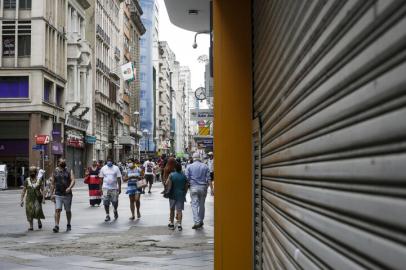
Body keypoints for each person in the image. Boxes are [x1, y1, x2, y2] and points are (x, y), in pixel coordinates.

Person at [186, 152, 214, 229]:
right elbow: (209, 179)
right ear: (199, 158)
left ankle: (197, 222)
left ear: (193, 158)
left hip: (193, 187)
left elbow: (187, 179)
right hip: (203, 187)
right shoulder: (205, 166)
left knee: (194, 205)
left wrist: (186, 190)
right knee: (202, 205)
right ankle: (201, 221)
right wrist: (212, 189)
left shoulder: (189, 167)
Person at [51, 158, 75, 233]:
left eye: (64, 162)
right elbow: (52, 183)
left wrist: (69, 187)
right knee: (57, 210)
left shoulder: (69, 170)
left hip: (67, 194)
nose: (63, 163)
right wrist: (52, 194)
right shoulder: (55, 172)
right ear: (58, 163)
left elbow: (73, 180)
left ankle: (68, 224)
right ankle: (56, 225)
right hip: (58, 194)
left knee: (68, 210)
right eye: (62, 162)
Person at [165, 162, 188, 231]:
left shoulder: (171, 175)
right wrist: (184, 193)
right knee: (179, 210)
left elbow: (166, 183)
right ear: (181, 168)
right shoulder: (184, 176)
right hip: (181, 194)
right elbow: (186, 186)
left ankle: (172, 224)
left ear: (174, 168)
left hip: (172, 194)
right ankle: (179, 225)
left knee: (172, 209)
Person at [20, 166, 45, 231]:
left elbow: (43, 189)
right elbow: (24, 190)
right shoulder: (26, 180)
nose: (32, 173)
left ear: (36, 172)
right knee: (29, 212)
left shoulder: (39, 180)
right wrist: (21, 200)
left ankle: (39, 220)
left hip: (37, 198)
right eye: (31, 172)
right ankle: (31, 226)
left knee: (37, 211)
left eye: (33, 171)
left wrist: (43, 199)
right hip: (29, 199)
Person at [99, 157, 122, 222]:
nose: (109, 162)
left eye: (110, 160)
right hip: (105, 188)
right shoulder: (103, 168)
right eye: (108, 161)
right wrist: (100, 188)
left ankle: (115, 210)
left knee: (115, 201)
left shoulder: (116, 168)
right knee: (106, 202)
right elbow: (101, 179)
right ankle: (107, 215)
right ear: (106, 161)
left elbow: (118, 178)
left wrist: (119, 187)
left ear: (112, 161)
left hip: (114, 188)